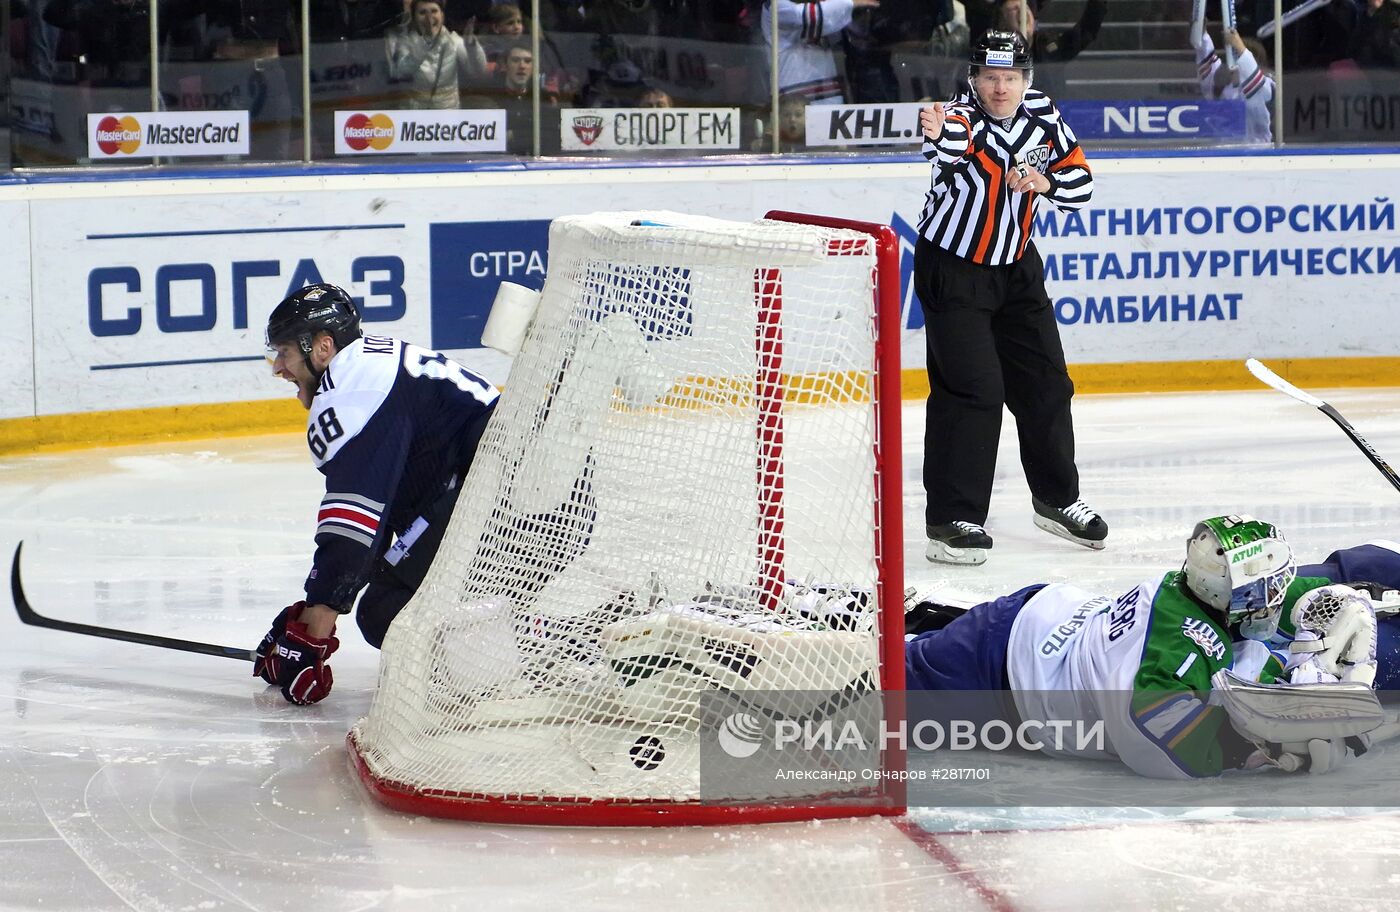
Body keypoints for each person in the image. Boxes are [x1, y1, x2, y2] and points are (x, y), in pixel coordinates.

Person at [905, 515, 1394, 778]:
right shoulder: (1174, 649)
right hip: (991, 677)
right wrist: (1247, 745)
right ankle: (874, 619)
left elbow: (1279, 595)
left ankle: (917, 617)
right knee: (869, 704)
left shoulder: (1203, 590)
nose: (1281, 590)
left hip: (1040, 625)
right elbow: (1149, 737)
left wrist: (1328, 600)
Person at [253, 284, 499, 705]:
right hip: (521, 495)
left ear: (323, 347)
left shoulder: (354, 392)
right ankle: (526, 637)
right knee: (399, 591)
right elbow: (378, 526)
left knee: (386, 612)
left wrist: (313, 634)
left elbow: (353, 530)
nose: (279, 367)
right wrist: (313, 609)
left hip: (516, 503)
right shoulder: (369, 366)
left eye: (286, 352)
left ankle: (523, 657)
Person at [915, 29, 1102, 566]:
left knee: (1047, 382)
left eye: (1012, 77)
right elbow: (945, 143)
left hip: (1017, 268)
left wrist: (1046, 185)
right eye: (991, 77)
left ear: (1027, 79)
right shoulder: (962, 117)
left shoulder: (1043, 113)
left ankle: (1056, 499)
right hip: (955, 269)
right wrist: (934, 130)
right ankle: (952, 519)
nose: (1001, 88)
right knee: (973, 391)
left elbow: (1082, 181)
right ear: (974, 79)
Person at [760, 0, 883, 105]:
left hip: (830, 97)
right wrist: (852, 2)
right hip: (792, 103)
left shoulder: (827, 7)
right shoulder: (775, 6)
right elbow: (813, 17)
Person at [385, 0, 488, 108]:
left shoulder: (453, 40)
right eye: (422, 12)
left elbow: (479, 71)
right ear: (414, 18)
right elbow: (400, 73)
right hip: (415, 112)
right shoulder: (405, 41)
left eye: (434, 11)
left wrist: (471, 45)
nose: (429, 17)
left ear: (442, 16)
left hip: (447, 113)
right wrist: (423, 46)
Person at [1191, 27, 1275, 144]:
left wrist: (1239, 46)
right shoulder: (1226, 89)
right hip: (1225, 153)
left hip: (1257, 154)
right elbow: (1209, 70)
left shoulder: (1266, 85)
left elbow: (1253, 79)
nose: (1230, 63)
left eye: (1235, 57)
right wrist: (1202, 34)